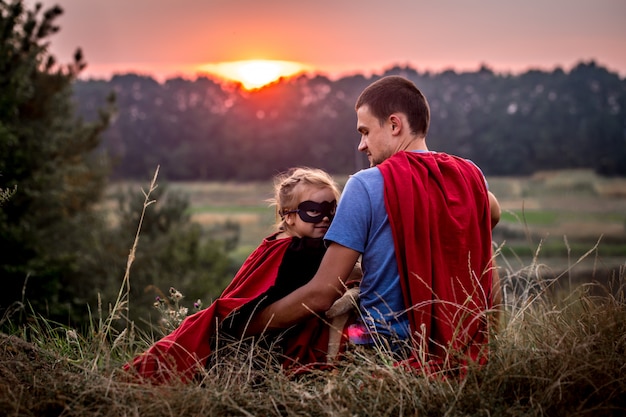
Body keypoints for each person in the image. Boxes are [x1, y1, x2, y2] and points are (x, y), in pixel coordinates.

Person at [246, 76, 502, 373]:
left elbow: (321, 294)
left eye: (365, 132)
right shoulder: (470, 177)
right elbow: (491, 213)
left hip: (382, 350)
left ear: (395, 125)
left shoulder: (367, 184)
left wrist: (249, 324)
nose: (361, 145)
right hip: (463, 346)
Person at [124, 167, 342, 383]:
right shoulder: (302, 251)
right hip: (265, 341)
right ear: (290, 216)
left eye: (332, 209)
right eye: (314, 210)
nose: (325, 217)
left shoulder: (282, 242)